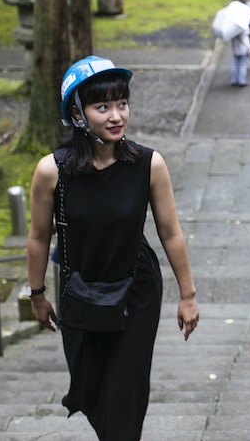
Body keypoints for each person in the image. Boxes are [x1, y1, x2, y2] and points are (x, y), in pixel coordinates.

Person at [26, 55, 199, 441]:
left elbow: (170, 233)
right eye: (102, 106)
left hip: (135, 290)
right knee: (91, 391)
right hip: (80, 291)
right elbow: (39, 236)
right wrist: (36, 294)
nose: (116, 115)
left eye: (122, 103)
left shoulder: (148, 164)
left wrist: (187, 295)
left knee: (125, 394)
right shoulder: (52, 171)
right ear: (77, 112)